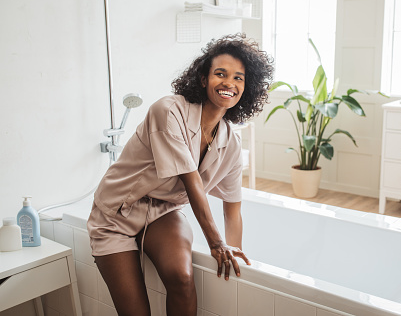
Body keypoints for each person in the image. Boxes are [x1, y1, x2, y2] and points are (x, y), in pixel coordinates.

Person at [87, 33, 273, 316]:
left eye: (238, 78)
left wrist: (233, 250)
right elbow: (191, 179)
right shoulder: (168, 110)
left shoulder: (230, 143)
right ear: (203, 79)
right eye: (220, 74)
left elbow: (232, 209)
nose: (228, 83)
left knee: (183, 278)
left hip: (163, 212)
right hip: (116, 215)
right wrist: (215, 242)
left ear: (246, 88)